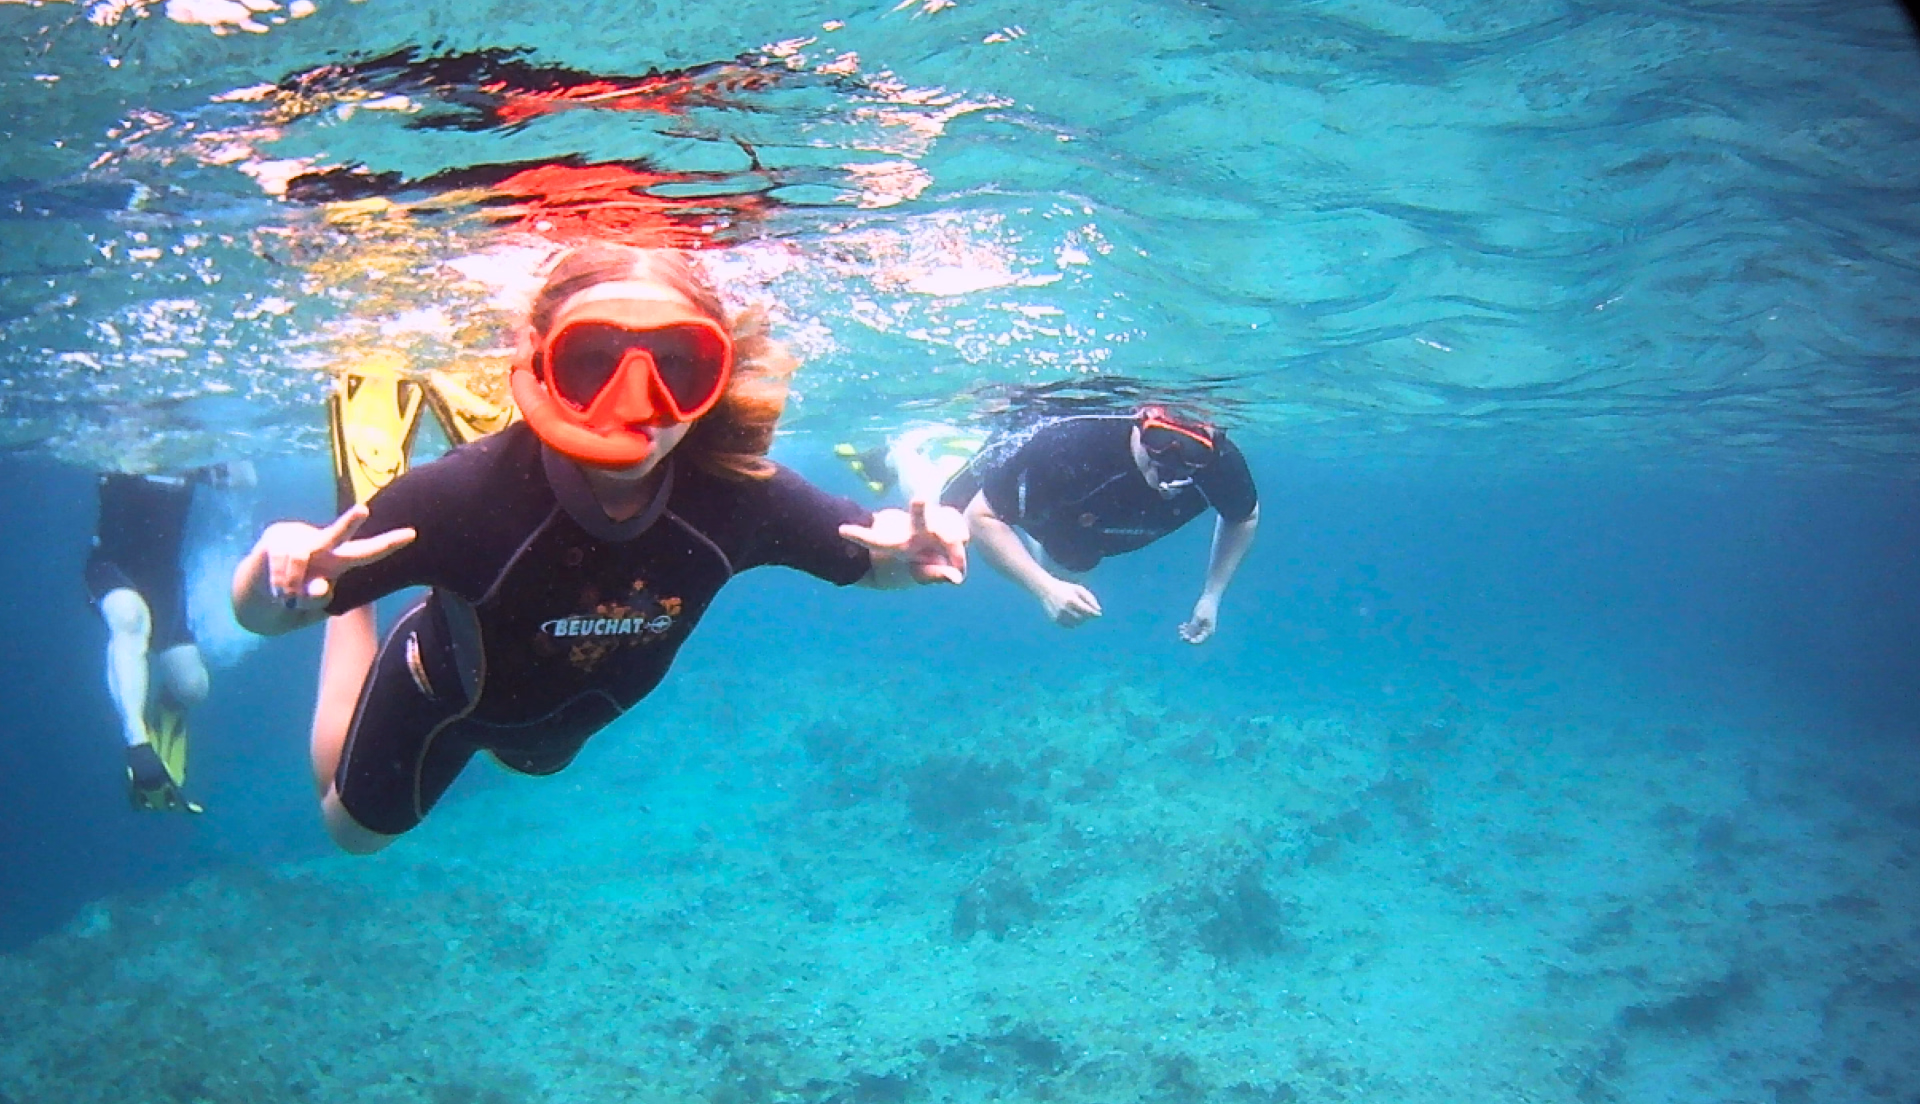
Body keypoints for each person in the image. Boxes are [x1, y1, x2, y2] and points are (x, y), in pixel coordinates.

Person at [232, 243, 967, 854]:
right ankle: (356, 600)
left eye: (677, 365)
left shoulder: (741, 496)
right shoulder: (459, 498)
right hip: (441, 697)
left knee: (535, 764)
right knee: (353, 835)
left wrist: (914, 557)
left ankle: (411, 580)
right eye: (591, 362)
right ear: (540, 364)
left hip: (559, 722)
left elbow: (871, 561)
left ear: (718, 377)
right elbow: (265, 617)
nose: (636, 404)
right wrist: (279, 576)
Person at [936, 406, 1259, 643]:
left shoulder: (1221, 466)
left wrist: (1212, 596)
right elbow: (981, 516)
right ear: (1138, 422)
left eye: (1193, 451)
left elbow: (1243, 517)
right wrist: (1044, 589)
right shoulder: (1073, 443)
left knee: (1071, 570)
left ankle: (1041, 545)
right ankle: (922, 455)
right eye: (1158, 439)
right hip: (1036, 481)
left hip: (1078, 528)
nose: (1170, 461)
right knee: (947, 521)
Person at [88, 462, 254, 813]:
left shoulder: (189, 450)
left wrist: (199, 468)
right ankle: (137, 742)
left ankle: (169, 704)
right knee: (130, 618)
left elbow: (246, 478)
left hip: (164, 582)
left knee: (193, 688)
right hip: (111, 569)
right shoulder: (120, 448)